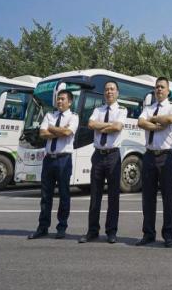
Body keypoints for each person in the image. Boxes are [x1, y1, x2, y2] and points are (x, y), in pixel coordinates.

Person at [79, 81, 127, 244]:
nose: (109, 92)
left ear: (117, 93)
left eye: (112, 89)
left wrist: (101, 127)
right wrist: (108, 126)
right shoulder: (97, 110)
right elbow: (91, 124)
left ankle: (111, 232)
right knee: (95, 195)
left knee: (113, 196)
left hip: (113, 156)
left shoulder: (122, 110)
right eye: (106, 89)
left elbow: (117, 127)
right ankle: (92, 231)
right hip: (98, 156)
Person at [28, 90, 78, 240]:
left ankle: (61, 227)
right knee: (45, 195)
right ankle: (42, 227)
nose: (59, 101)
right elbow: (42, 133)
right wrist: (60, 130)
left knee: (64, 195)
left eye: (63, 99)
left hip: (64, 160)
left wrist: (51, 128)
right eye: (58, 99)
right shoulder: (50, 115)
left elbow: (68, 133)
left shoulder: (73, 117)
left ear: (70, 102)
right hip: (49, 159)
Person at [136, 77, 172, 247]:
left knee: (168, 197)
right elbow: (140, 122)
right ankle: (148, 233)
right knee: (148, 197)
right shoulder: (148, 108)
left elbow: (171, 120)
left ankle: (168, 235)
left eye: (162, 87)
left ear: (168, 91)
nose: (159, 90)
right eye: (157, 87)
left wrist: (152, 119)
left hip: (166, 156)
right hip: (149, 156)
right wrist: (156, 125)